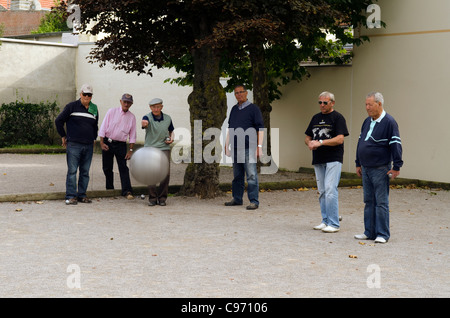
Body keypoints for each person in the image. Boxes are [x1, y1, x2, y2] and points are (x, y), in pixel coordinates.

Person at [354, 92, 403, 243]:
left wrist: (397, 166)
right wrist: (358, 163)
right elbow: (360, 142)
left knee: (381, 202)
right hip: (366, 168)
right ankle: (369, 231)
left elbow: (396, 144)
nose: (367, 107)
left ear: (379, 104)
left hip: (380, 168)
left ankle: (382, 234)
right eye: (366, 104)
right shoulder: (367, 121)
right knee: (369, 201)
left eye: (370, 104)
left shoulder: (389, 122)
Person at [305, 91, 349, 232]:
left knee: (330, 189)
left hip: (333, 158)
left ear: (332, 103)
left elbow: (340, 139)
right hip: (318, 159)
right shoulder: (315, 118)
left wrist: (321, 142)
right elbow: (307, 136)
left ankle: (334, 223)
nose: (322, 105)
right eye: (320, 102)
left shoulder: (338, 117)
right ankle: (325, 220)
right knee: (322, 191)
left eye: (325, 102)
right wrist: (310, 143)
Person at [55, 84, 99, 205]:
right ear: (80, 94)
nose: (86, 96)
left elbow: (95, 125)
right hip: (74, 144)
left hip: (88, 145)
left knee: (85, 172)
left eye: (89, 95)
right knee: (72, 171)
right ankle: (70, 196)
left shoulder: (94, 108)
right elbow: (58, 121)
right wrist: (63, 136)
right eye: (84, 94)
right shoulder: (71, 106)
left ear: (91, 96)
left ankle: (82, 195)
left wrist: (94, 138)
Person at [224, 85, 264, 210]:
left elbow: (260, 129)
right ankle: (237, 198)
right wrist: (226, 146)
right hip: (236, 147)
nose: (239, 94)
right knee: (237, 175)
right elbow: (230, 128)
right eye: (236, 93)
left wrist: (259, 147)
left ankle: (254, 201)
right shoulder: (234, 109)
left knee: (251, 175)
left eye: (241, 92)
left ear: (246, 93)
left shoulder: (254, 109)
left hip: (249, 147)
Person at [98, 93, 137, 199]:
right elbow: (103, 127)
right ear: (120, 102)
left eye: (129, 102)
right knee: (107, 167)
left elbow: (132, 135)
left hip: (121, 145)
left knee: (123, 168)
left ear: (131, 104)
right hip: (108, 142)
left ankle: (127, 191)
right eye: (125, 102)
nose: (126, 104)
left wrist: (130, 150)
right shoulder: (111, 111)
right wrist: (101, 142)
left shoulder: (132, 117)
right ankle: (110, 190)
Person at [141, 98, 174, 206]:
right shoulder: (147, 117)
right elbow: (144, 123)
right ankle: (152, 198)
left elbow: (171, 130)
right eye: (154, 107)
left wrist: (171, 138)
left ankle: (162, 198)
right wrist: (144, 124)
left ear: (161, 107)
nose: (156, 109)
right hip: (150, 148)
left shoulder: (168, 118)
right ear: (150, 108)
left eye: (158, 106)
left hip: (164, 147)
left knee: (166, 173)